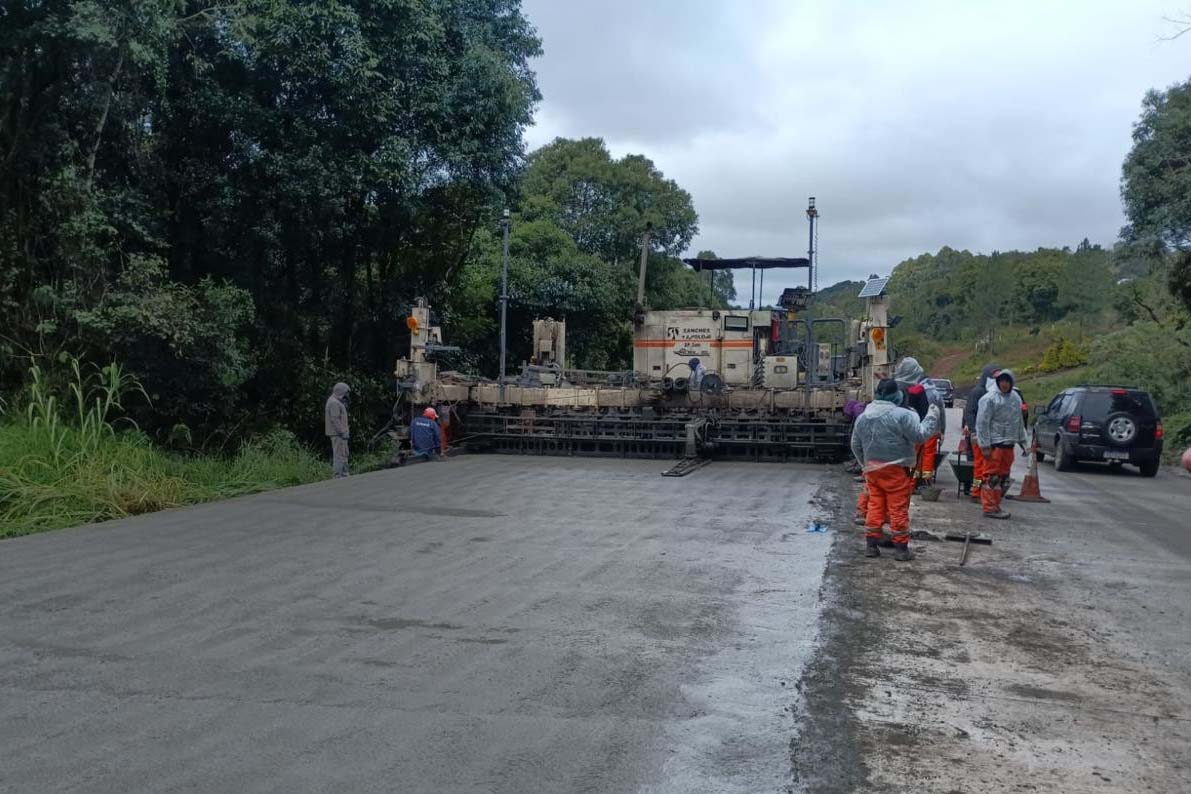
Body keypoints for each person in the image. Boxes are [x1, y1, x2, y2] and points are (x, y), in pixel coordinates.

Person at [850, 378, 941, 561]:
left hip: (873, 470)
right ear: (896, 395)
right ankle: (901, 549)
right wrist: (932, 416)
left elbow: (855, 444)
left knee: (875, 505)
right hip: (896, 469)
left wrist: (865, 465)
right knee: (898, 508)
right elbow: (920, 435)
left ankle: (871, 546)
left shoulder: (864, 416)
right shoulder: (902, 415)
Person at [975, 370, 1029, 519]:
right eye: (1002, 381)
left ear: (1011, 382)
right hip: (994, 445)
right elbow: (982, 423)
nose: (1004, 384)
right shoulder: (989, 399)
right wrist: (985, 445)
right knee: (991, 477)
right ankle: (989, 507)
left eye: (1007, 381)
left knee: (1001, 478)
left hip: (1008, 445)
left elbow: (1018, 423)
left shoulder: (1015, 398)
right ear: (997, 382)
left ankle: (995, 505)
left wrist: (1024, 443)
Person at [893, 357, 946, 486]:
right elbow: (930, 412)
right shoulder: (922, 391)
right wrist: (940, 429)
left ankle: (911, 481)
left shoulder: (893, 387)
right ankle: (918, 481)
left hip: (896, 433)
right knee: (920, 457)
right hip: (918, 430)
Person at [962, 363, 1001, 501]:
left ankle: (985, 491)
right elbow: (969, 413)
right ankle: (977, 492)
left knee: (989, 466)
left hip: (992, 436)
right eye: (994, 377)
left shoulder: (996, 394)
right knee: (980, 465)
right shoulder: (978, 392)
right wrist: (974, 432)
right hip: (979, 436)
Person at [324, 382, 351, 478]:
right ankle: (338, 475)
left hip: (340, 434)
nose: (347, 395)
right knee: (339, 455)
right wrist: (342, 432)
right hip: (338, 434)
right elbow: (335, 419)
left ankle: (344, 473)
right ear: (341, 391)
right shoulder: (334, 402)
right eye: (346, 392)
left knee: (343, 453)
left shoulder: (336, 401)